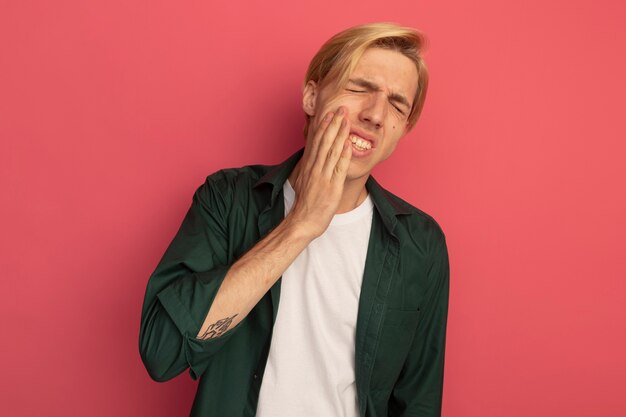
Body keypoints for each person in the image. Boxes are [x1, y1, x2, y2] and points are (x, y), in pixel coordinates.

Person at [139, 22, 450, 417]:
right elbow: (162, 351)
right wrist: (301, 224)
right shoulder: (228, 199)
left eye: (397, 104)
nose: (374, 114)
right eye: (359, 88)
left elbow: (418, 403)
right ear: (311, 96)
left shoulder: (420, 244)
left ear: (403, 128)